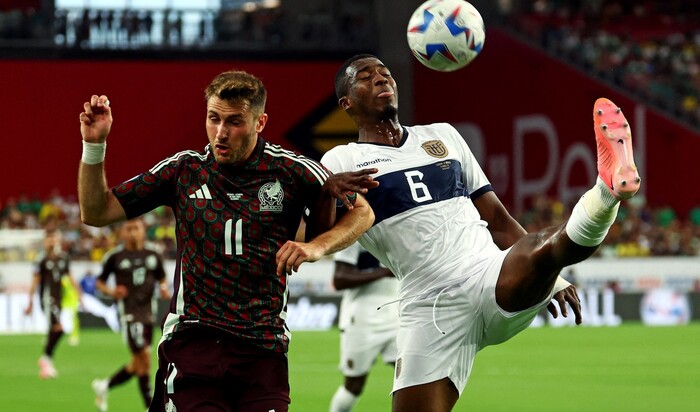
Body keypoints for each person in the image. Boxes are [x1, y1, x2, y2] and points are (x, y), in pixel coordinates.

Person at [322, 54, 641, 411]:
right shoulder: (340, 161)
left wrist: (552, 278)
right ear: (346, 103)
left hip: (487, 275)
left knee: (539, 244)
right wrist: (323, 196)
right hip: (429, 306)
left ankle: (607, 190)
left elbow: (499, 220)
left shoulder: (443, 136)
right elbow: (322, 227)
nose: (382, 79)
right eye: (366, 77)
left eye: (386, 73)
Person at [77, 69, 374, 411]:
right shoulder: (184, 171)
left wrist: (314, 246)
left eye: (234, 122)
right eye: (213, 118)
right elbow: (96, 212)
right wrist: (94, 144)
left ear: (260, 122)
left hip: (263, 351)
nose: (220, 133)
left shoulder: (292, 171)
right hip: (194, 345)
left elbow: (362, 213)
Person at [91, 218, 170, 411]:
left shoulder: (153, 254)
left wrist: (163, 288)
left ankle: (105, 386)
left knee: (141, 363)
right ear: (122, 232)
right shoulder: (115, 256)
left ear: (143, 231)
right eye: (129, 229)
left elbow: (162, 278)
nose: (133, 232)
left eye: (137, 228)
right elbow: (99, 283)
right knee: (143, 357)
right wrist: (112, 292)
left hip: (148, 314)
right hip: (129, 314)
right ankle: (149, 406)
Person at [329, 241, 399, 412]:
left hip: (396, 316)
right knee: (354, 385)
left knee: (409, 376)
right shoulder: (355, 236)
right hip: (361, 319)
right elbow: (339, 279)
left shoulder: (399, 229)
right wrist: (382, 273)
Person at [24, 229, 82, 379]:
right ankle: (45, 359)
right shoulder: (41, 259)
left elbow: (70, 277)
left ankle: (46, 364)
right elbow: (35, 281)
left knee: (54, 330)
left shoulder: (63, 258)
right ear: (45, 242)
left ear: (58, 241)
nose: (51, 242)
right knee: (59, 329)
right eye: (49, 239)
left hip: (59, 299)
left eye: (54, 239)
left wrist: (79, 295)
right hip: (47, 299)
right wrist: (30, 302)